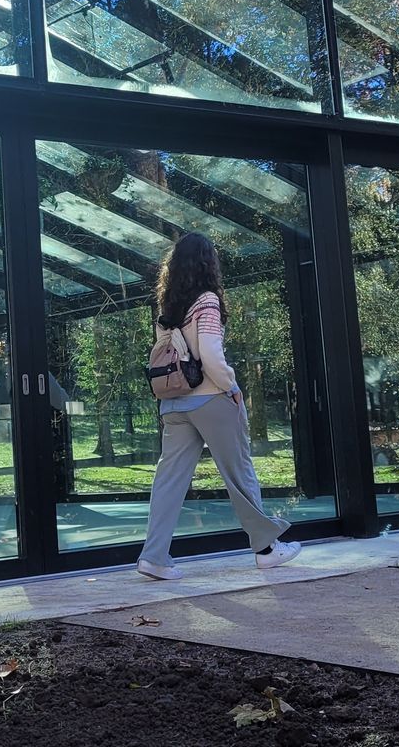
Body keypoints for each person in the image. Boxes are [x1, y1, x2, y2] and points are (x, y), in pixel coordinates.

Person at [137, 231, 301, 579]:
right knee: (239, 473)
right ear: (207, 262)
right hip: (211, 399)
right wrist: (231, 385)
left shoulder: (169, 306)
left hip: (174, 404)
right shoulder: (207, 301)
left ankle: (153, 557)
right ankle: (267, 550)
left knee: (168, 481)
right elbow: (210, 353)